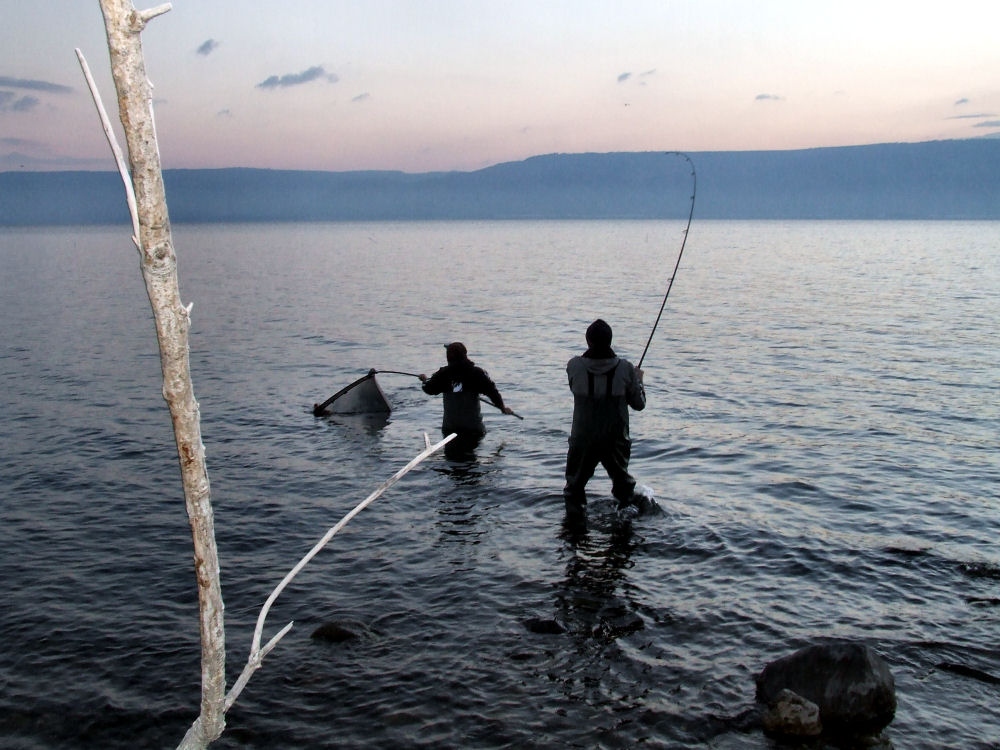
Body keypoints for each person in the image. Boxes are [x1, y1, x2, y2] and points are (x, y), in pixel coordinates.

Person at [564, 319, 645, 514]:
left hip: (582, 439)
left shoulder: (574, 365)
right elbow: (639, 404)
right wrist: (639, 381)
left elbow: (573, 387)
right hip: (615, 439)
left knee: (574, 488)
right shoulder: (626, 368)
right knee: (624, 490)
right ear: (610, 341)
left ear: (588, 341)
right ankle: (624, 529)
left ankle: (574, 531)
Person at [420, 342, 513, 451]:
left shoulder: (443, 374)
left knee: (452, 459)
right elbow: (492, 392)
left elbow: (429, 389)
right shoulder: (477, 373)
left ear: (448, 357)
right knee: (471, 460)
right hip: (473, 429)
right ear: (465, 354)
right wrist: (502, 407)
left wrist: (424, 380)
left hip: (450, 430)